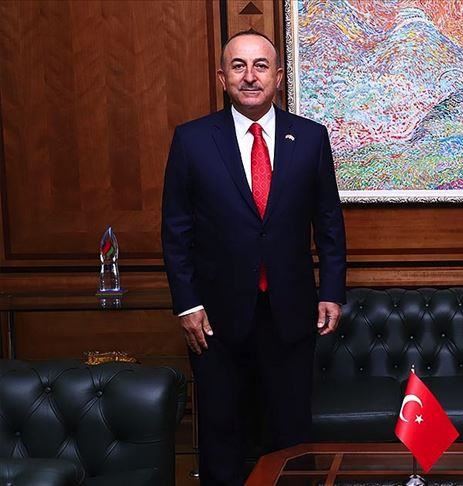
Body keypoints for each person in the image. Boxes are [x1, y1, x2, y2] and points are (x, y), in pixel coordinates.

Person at [161, 29, 346, 485]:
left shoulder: (311, 138)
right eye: (238, 66)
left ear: (278, 77)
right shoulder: (192, 140)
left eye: (260, 65)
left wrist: (331, 291)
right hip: (215, 320)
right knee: (222, 437)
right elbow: (176, 231)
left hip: (291, 314)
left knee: (290, 437)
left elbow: (329, 224)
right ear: (221, 77)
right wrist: (187, 303)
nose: (250, 76)